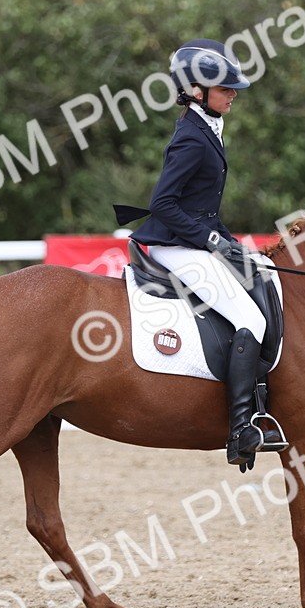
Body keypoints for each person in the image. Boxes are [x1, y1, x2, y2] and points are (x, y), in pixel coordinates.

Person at [115, 38, 284, 469]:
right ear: (195, 90)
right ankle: (242, 426)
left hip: (190, 239)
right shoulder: (191, 138)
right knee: (250, 318)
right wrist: (212, 243)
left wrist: (233, 245)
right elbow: (166, 205)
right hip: (172, 247)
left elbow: (203, 209)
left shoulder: (207, 130)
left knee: (259, 274)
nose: (233, 94)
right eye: (225, 88)